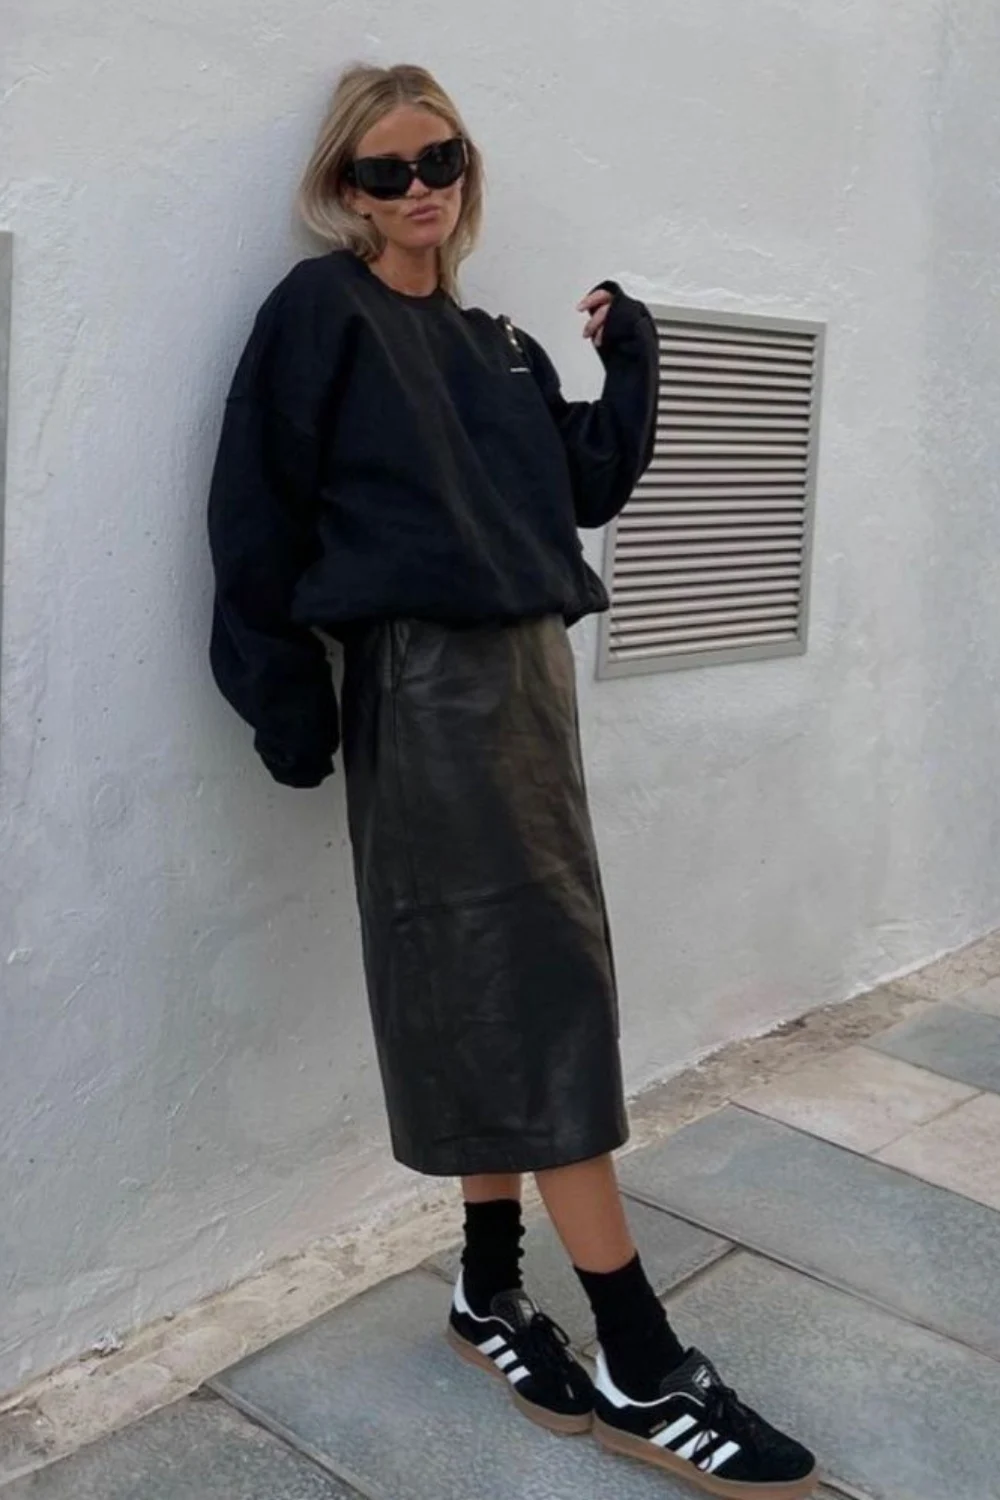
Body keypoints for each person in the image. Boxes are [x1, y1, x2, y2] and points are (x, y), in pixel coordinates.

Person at [207, 61, 817, 1499]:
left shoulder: (497, 346)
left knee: (516, 986)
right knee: (535, 991)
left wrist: (637, 362)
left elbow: (583, 488)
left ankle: (489, 1295)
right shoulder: (322, 315)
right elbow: (255, 510)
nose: (421, 189)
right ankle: (638, 1360)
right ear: (341, 191)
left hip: (531, 682)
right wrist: (286, 703)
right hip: (428, 687)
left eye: (442, 160)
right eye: (386, 170)